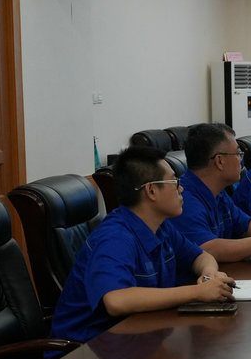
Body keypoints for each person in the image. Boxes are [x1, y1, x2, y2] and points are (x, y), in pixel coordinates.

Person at [50, 146, 235, 343]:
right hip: (86, 349)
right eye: (175, 182)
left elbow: (201, 256)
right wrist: (197, 292)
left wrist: (209, 274)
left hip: (137, 337)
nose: (181, 189)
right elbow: (116, 301)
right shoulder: (115, 237)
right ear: (151, 190)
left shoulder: (161, 226)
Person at [168, 122, 251, 262]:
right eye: (238, 154)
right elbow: (208, 248)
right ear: (220, 161)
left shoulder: (218, 192)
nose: (241, 161)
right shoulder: (183, 199)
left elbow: (246, 224)